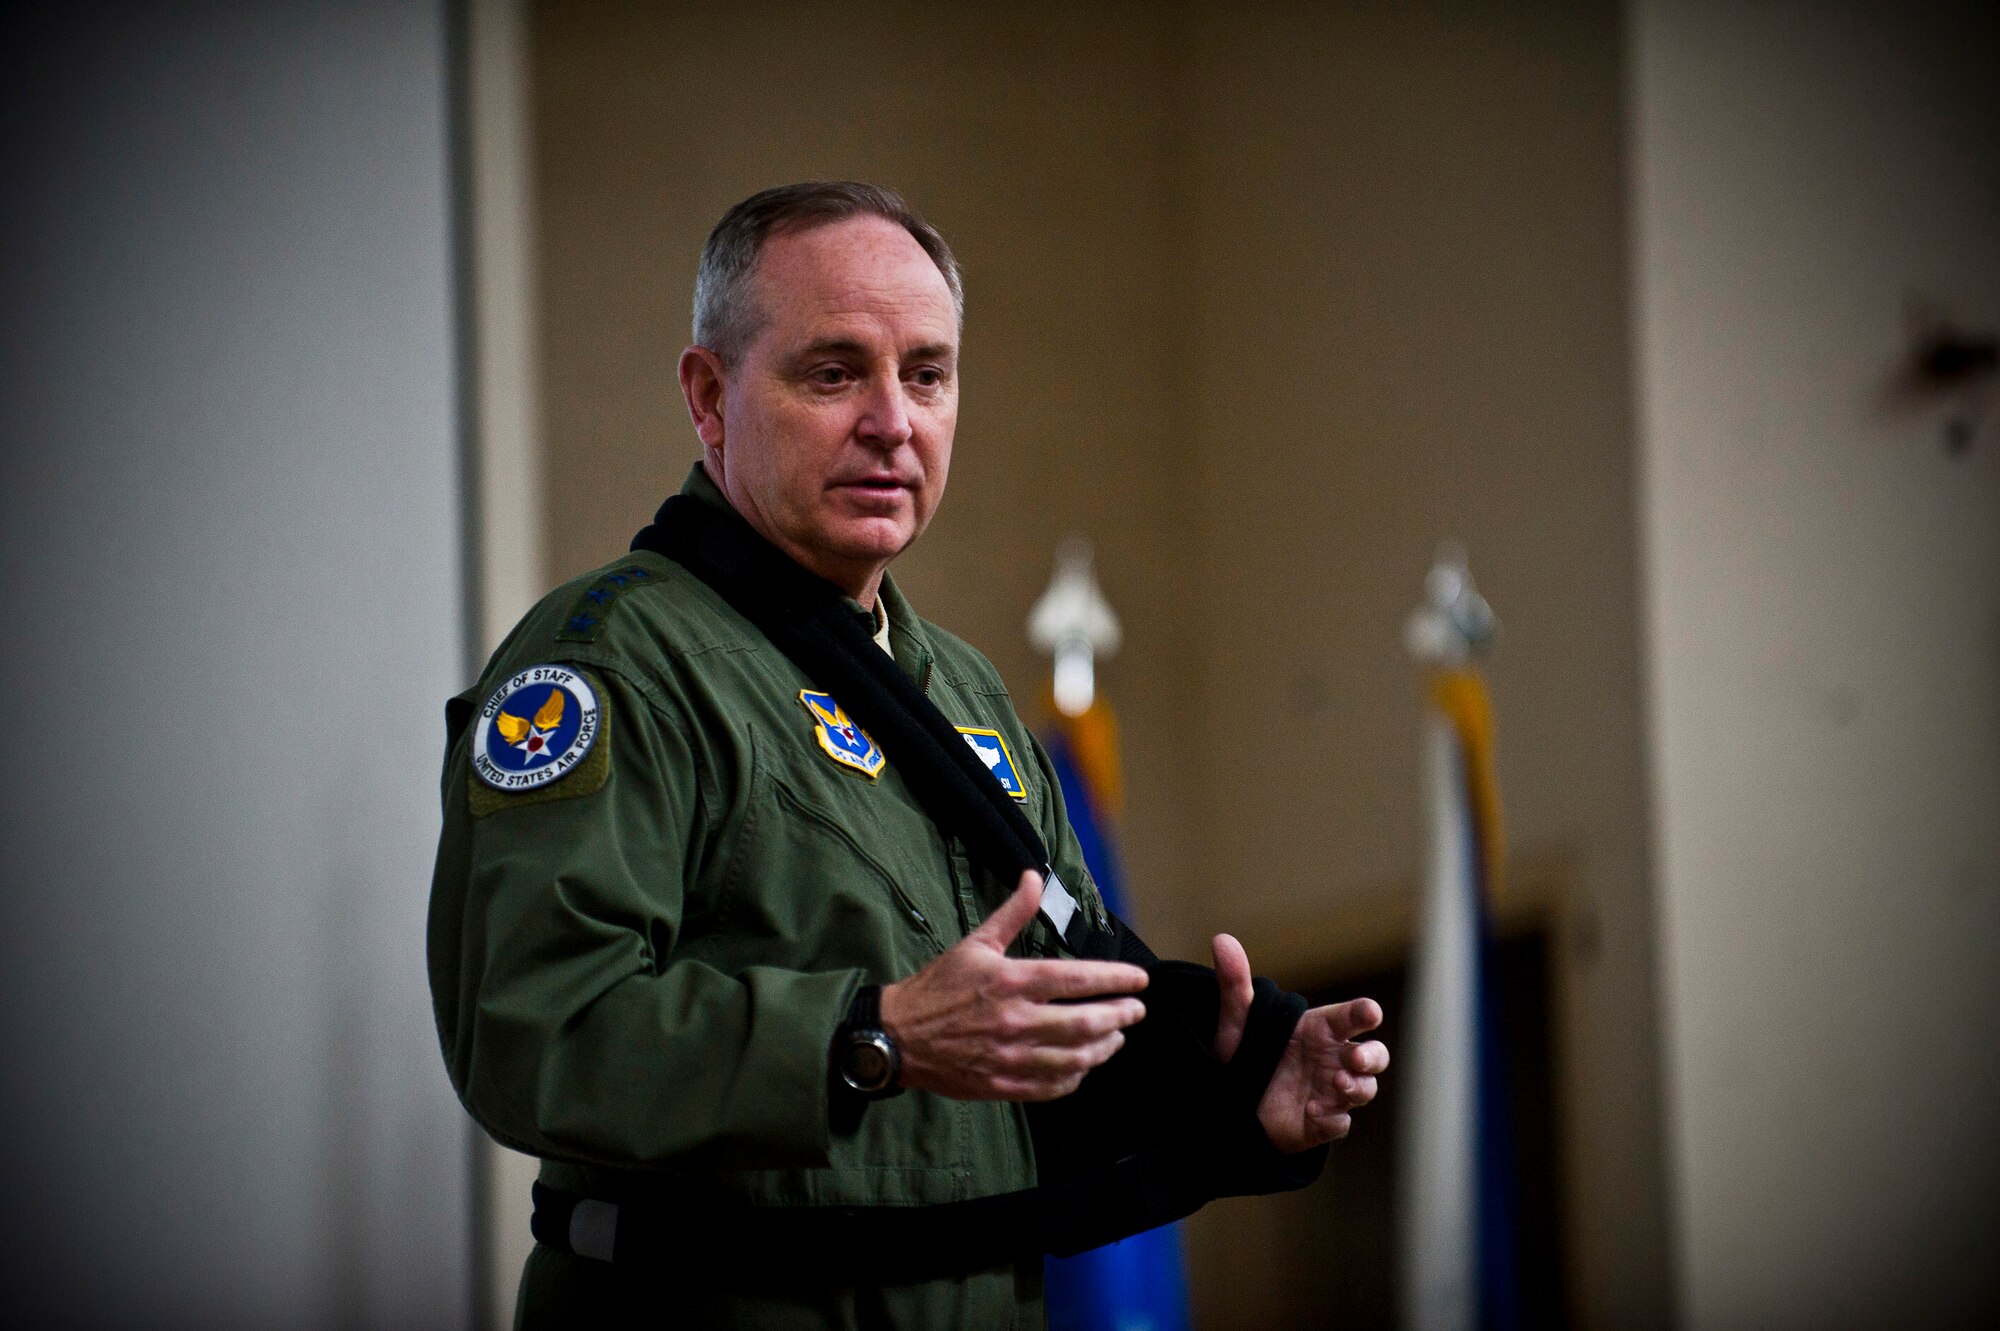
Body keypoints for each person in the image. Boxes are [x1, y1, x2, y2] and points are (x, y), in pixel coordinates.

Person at [428, 182, 1389, 1329]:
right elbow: (529, 1033)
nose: (893, 419)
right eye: (833, 373)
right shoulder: (616, 662)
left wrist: (1230, 1090)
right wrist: (870, 1037)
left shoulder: (967, 691)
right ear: (708, 396)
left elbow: (1034, 1042)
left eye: (926, 373)